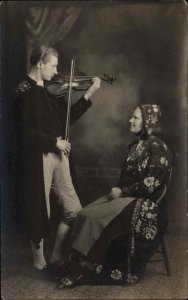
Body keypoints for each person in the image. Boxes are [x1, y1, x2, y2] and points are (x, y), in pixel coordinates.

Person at [57, 104, 173, 288]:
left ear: (148, 122)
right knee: (85, 213)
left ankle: (83, 269)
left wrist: (123, 192)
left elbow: (151, 185)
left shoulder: (159, 148)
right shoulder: (133, 146)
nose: (130, 120)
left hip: (146, 203)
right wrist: (117, 189)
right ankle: (73, 263)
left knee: (95, 218)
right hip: (126, 196)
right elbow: (124, 179)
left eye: (135, 117)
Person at [13, 45, 101, 271]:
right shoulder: (22, 91)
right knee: (40, 209)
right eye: (52, 66)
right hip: (39, 156)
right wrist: (54, 142)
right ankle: (38, 258)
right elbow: (23, 132)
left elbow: (66, 120)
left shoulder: (53, 92)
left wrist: (88, 94)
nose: (56, 72)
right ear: (39, 63)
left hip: (59, 154)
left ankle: (57, 256)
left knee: (74, 210)